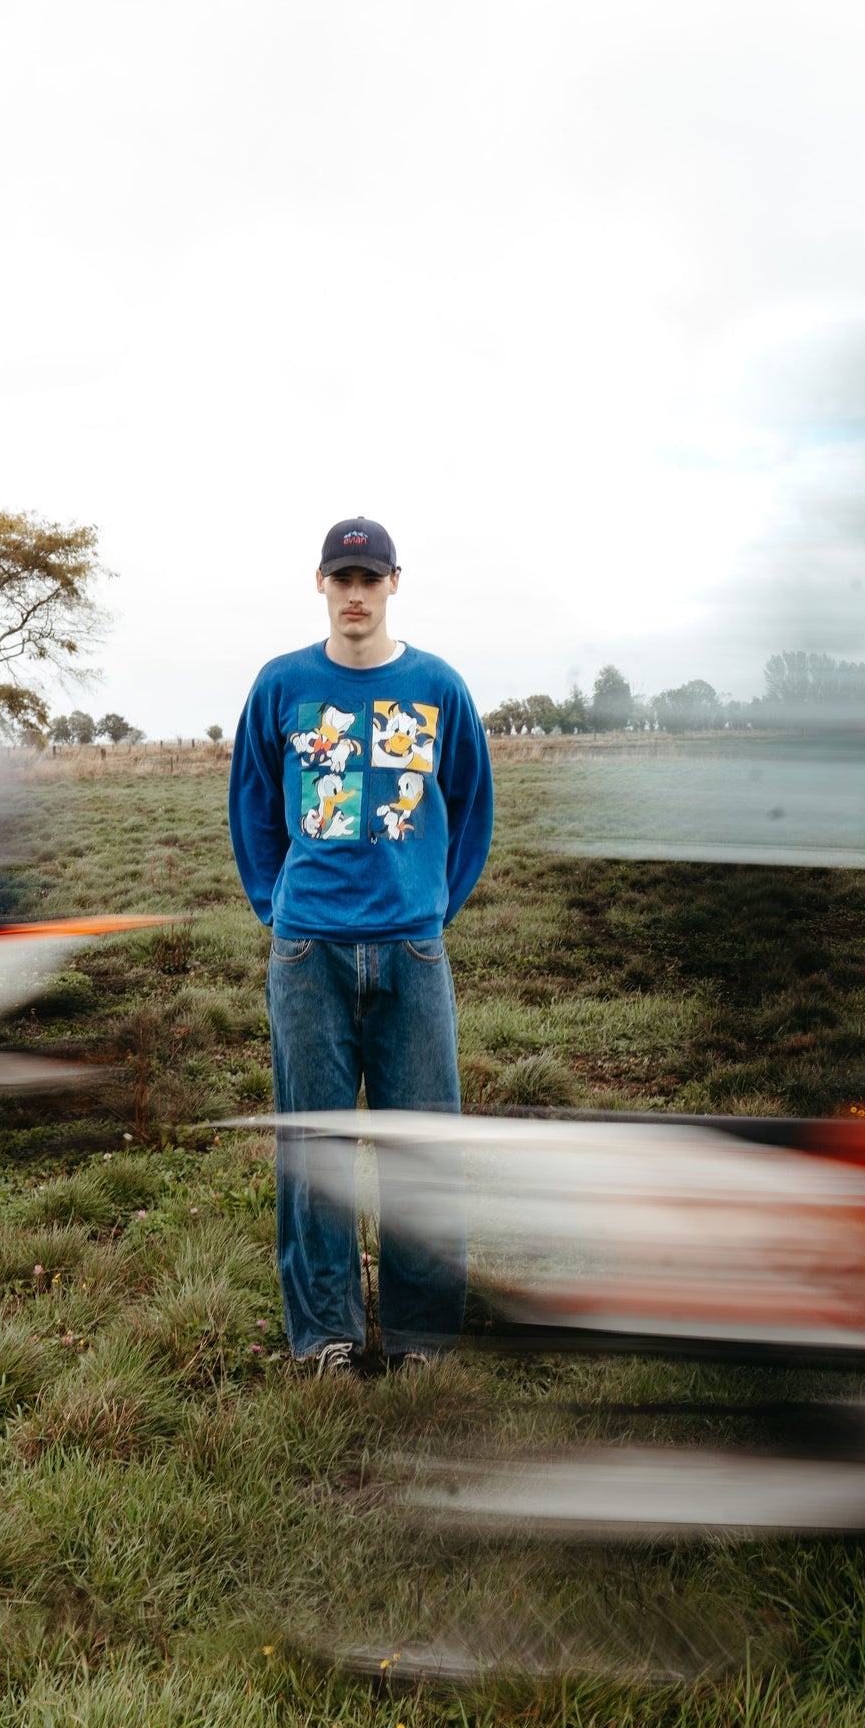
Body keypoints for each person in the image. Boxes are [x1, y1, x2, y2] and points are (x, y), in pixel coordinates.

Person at [229, 516, 494, 1375]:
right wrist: (278, 910)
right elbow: (254, 810)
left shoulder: (437, 687)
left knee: (423, 1149)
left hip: (413, 953)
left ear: (391, 584)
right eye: (340, 578)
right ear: (319, 584)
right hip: (308, 954)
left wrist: (429, 907)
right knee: (316, 1151)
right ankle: (327, 1339)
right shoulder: (281, 686)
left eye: (367, 579)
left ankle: (421, 1339)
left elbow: (471, 808)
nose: (354, 593)